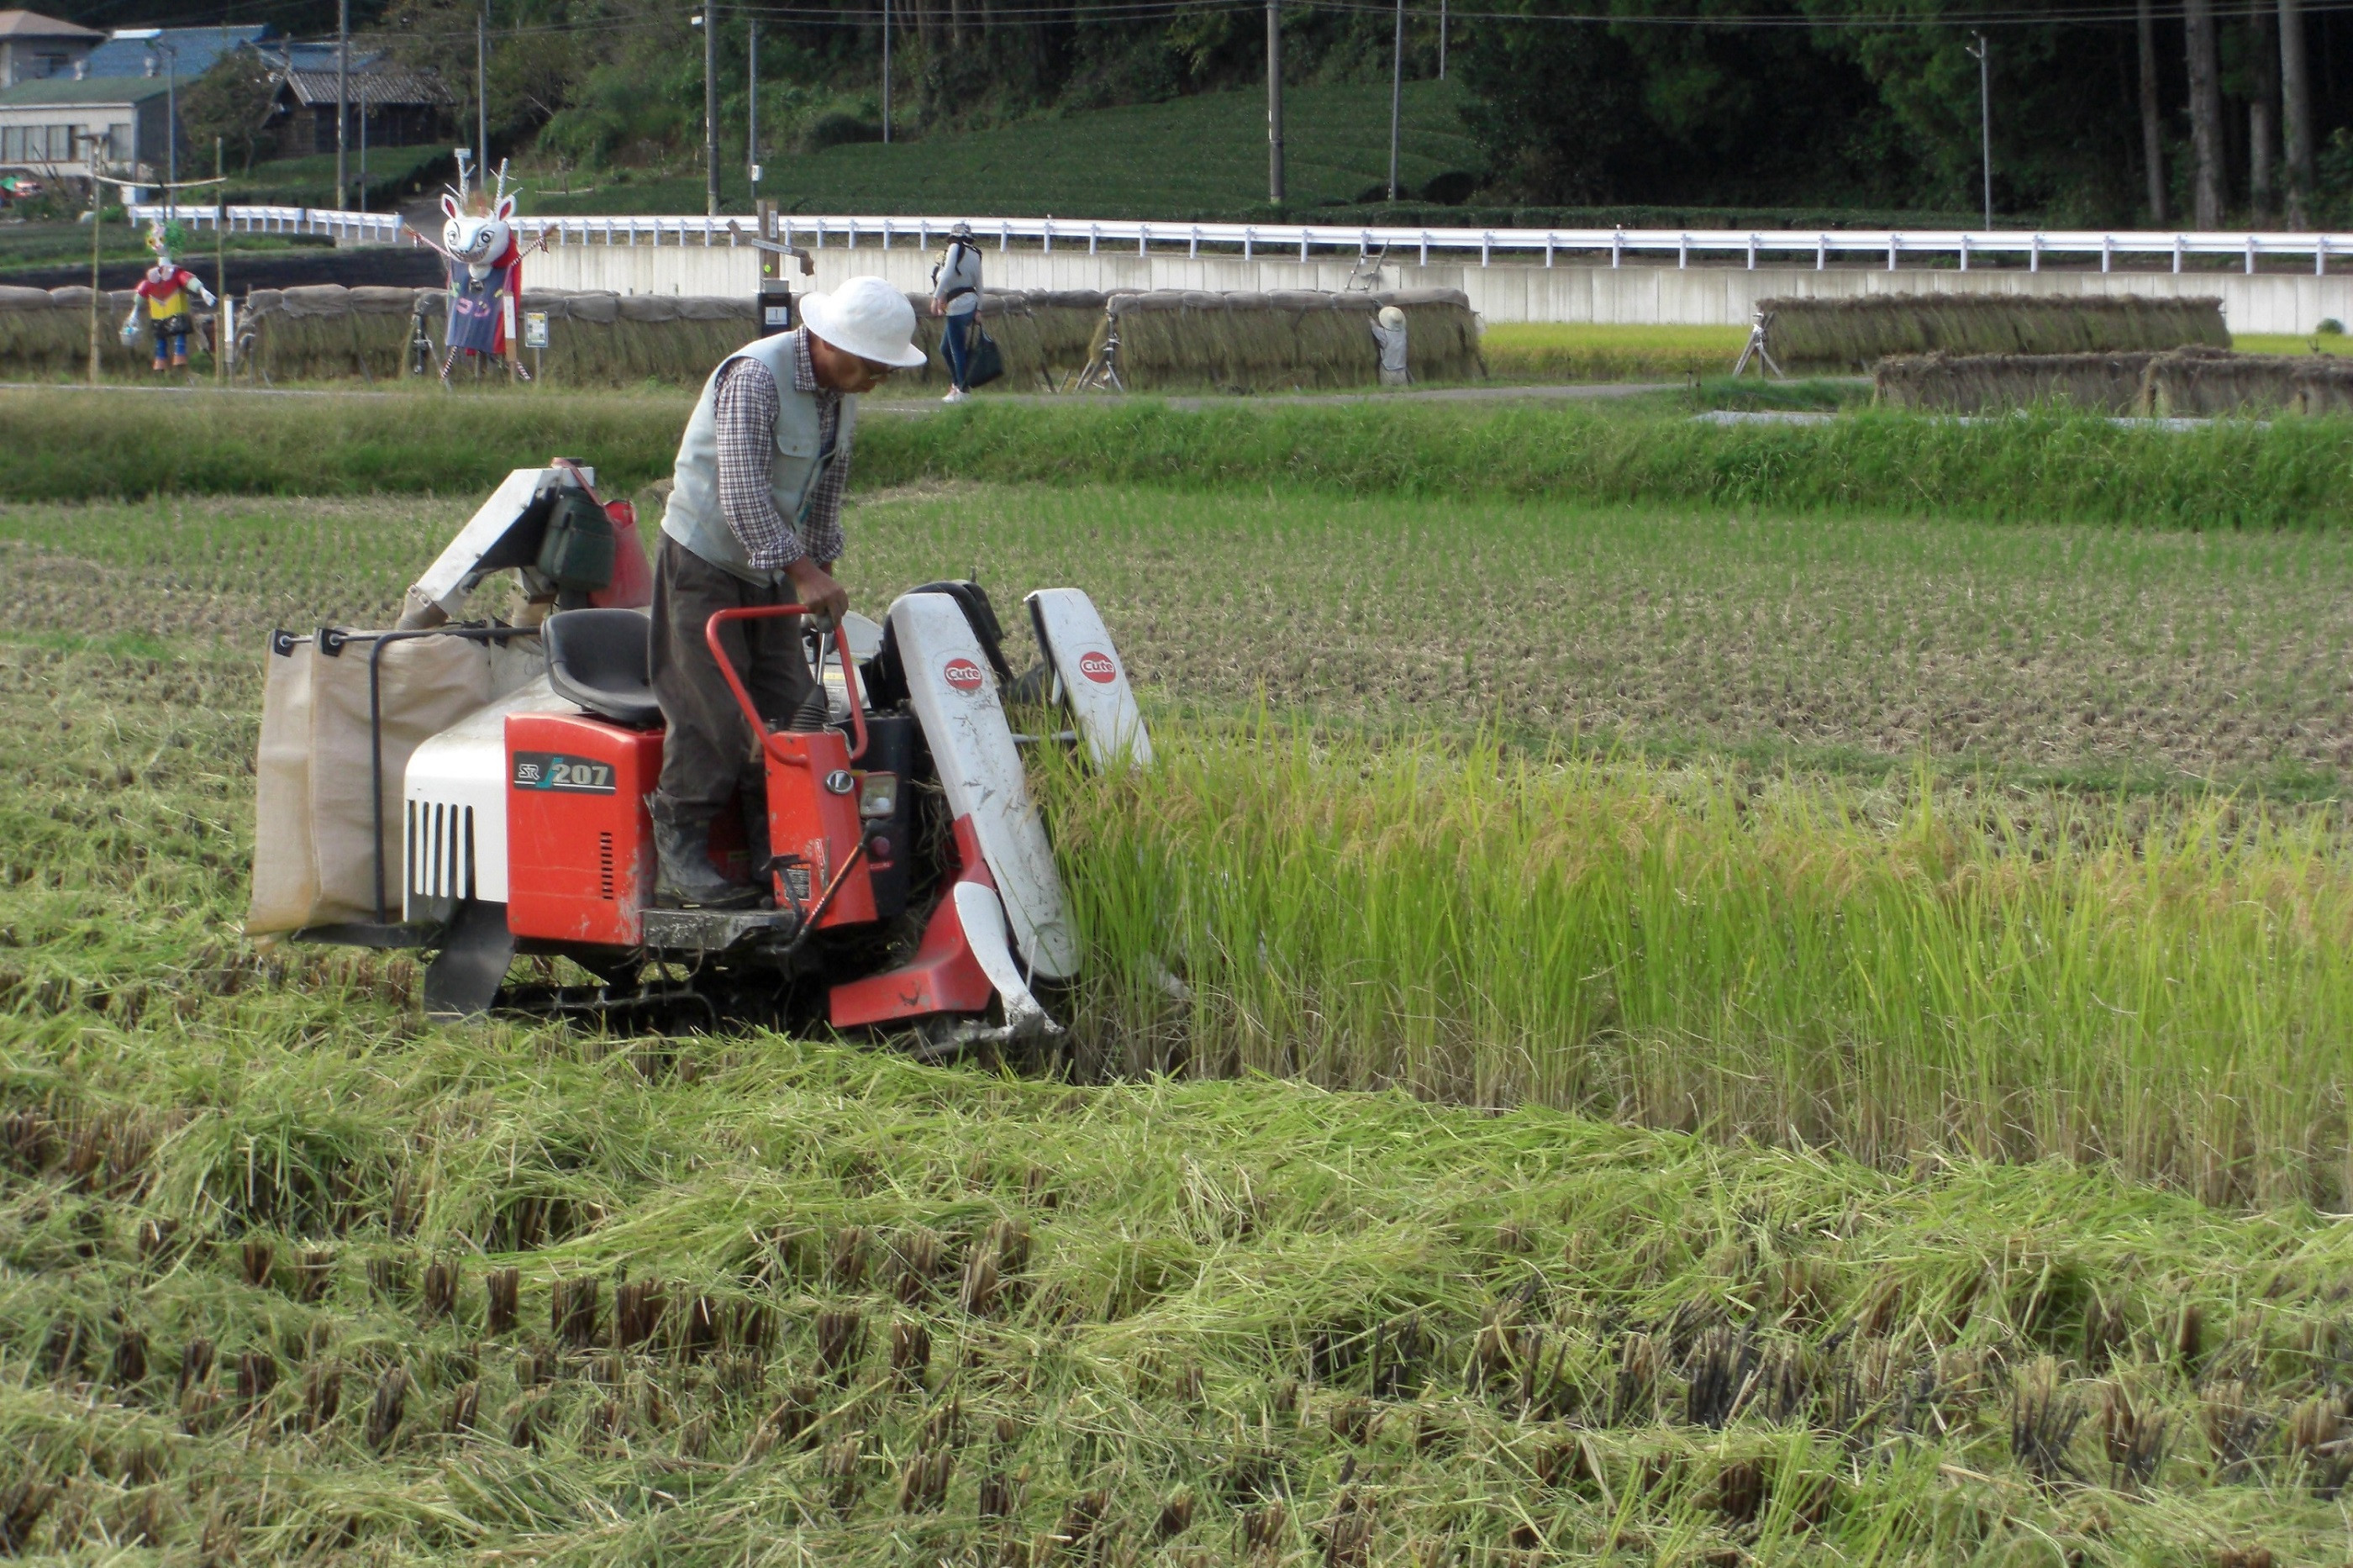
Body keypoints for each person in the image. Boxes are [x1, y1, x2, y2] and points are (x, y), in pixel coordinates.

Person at [649, 276, 929, 909]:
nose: (879, 380)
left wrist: (821, 564)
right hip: (703, 561)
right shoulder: (755, 376)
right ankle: (680, 856)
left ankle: (772, 851)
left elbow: (825, 492)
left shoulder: (840, 394)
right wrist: (804, 574)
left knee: (793, 711)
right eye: (875, 367)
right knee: (711, 711)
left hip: (770, 569)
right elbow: (743, 492)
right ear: (832, 345)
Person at [930, 221, 983, 403]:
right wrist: (980, 308)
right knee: (945, 348)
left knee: (956, 350)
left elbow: (947, 274)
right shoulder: (976, 253)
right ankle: (956, 384)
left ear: (954, 236)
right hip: (971, 303)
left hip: (957, 305)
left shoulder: (954, 248)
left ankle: (962, 390)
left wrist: (936, 297)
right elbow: (980, 283)